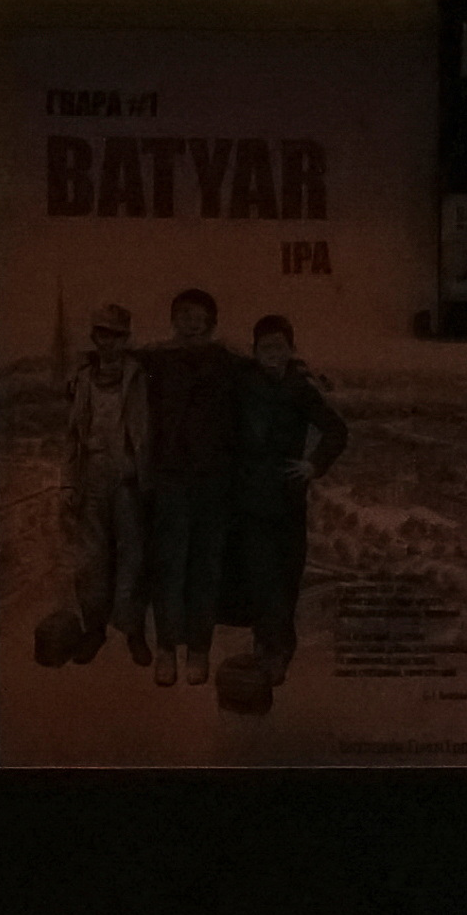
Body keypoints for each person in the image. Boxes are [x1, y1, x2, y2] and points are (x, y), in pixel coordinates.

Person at [221, 313, 349, 711]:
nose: (272, 355)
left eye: (280, 347)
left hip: (288, 499)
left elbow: (336, 430)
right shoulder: (243, 381)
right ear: (254, 351)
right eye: (265, 348)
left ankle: (278, 652)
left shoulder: (300, 389)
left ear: (291, 349)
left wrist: (313, 465)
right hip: (247, 499)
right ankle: (268, 652)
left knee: (287, 577)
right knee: (260, 578)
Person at [130, 288, 244, 693]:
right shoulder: (157, 357)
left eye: (199, 315)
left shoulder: (228, 360)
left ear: (211, 321)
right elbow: (114, 362)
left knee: (206, 569)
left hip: (214, 480)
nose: (191, 321)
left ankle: (198, 650)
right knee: (170, 567)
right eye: (184, 314)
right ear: (173, 318)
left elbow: (270, 367)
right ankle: (166, 650)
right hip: (172, 477)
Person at [40, 301, 146, 669]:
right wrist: (68, 485)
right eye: (103, 334)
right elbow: (72, 439)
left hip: (130, 481)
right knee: (91, 560)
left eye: (117, 336)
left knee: (133, 557)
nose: (109, 343)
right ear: (94, 338)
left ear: (126, 339)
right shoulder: (83, 380)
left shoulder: (141, 375)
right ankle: (95, 630)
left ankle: (134, 632)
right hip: (92, 479)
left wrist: (141, 468)